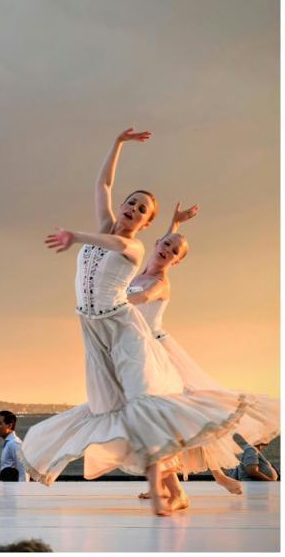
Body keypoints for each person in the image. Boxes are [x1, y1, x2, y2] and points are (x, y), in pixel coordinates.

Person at [20, 128, 252, 516]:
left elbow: (116, 246)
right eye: (131, 202)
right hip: (92, 332)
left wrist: (76, 236)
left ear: (147, 224)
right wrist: (117, 144)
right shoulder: (109, 226)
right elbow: (103, 184)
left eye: (142, 210)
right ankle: (173, 489)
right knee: (111, 409)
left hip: (124, 328)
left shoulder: (134, 245)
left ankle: (163, 494)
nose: (133, 209)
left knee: (143, 406)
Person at [129, 204, 280, 505]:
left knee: (187, 417)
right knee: (155, 420)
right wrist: (175, 222)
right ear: (157, 243)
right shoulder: (148, 263)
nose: (167, 250)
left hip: (160, 354)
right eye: (166, 244)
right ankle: (161, 481)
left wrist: (109, 298)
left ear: (176, 262)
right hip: (138, 352)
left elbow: (138, 299)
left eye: (174, 252)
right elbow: (166, 242)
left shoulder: (159, 283)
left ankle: (216, 475)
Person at [0, 411, 28, 482]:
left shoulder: (14, 443)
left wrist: (22, 491)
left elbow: (23, 471)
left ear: (9, 425)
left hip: (14, 491)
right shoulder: (9, 443)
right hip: (9, 490)